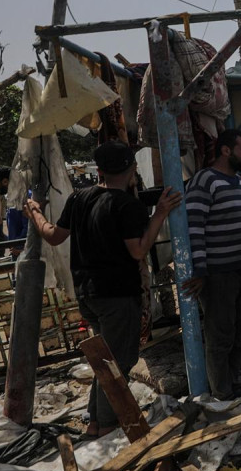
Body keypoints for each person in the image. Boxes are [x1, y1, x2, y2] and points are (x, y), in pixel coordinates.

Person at [25, 141, 180, 435]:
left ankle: (95, 423)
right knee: (117, 363)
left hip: (88, 295)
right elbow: (139, 251)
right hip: (117, 296)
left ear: (100, 170)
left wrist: (35, 212)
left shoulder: (79, 198)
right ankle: (108, 427)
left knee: (104, 360)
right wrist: (160, 213)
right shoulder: (127, 206)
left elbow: (54, 236)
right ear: (132, 169)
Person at [185, 128, 241, 400]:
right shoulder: (205, 180)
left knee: (240, 332)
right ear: (226, 150)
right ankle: (221, 393)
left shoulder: (239, 182)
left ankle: (231, 383)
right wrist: (201, 270)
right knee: (220, 335)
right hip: (219, 274)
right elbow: (194, 228)